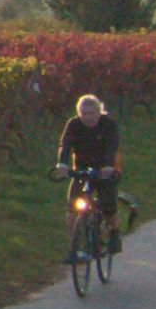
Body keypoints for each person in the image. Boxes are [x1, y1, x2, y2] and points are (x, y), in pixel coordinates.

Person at [55, 92, 122, 251]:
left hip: (105, 168)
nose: (88, 117)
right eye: (84, 113)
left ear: (99, 112)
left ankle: (114, 233)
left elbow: (112, 146)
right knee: (72, 208)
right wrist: (62, 164)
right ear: (79, 113)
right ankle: (73, 247)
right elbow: (65, 145)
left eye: (92, 113)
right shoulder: (73, 124)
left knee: (108, 206)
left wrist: (108, 166)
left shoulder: (109, 125)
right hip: (81, 169)